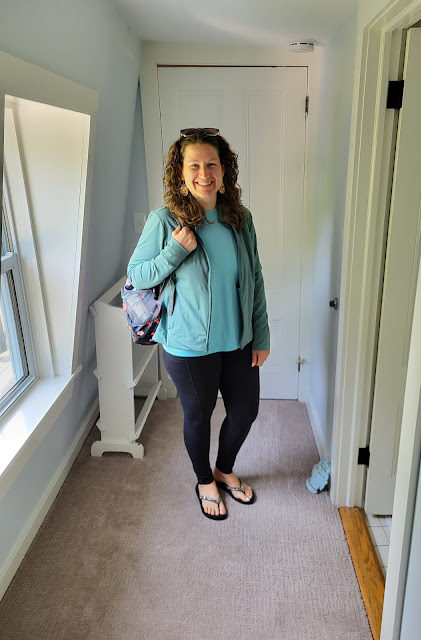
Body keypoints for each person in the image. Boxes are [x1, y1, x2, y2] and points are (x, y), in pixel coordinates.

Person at [127, 128, 270, 521]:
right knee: (198, 416)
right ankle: (204, 480)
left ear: (224, 172)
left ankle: (224, 469)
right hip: (188, 345)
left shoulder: (240, 219)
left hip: (239, 340)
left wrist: (261, 334)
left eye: (212, 164)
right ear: (181, 172)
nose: (204, 173)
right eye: (194, 165)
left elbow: (255, 278)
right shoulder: (164, 220)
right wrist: (175, 250)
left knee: (245, 411)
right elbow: (138, 275)